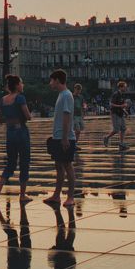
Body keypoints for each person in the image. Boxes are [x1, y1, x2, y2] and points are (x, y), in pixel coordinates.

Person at [0, 74, 33, 202]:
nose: (23, 85)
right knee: (24, 162)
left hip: (10, 133)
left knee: (10, 163)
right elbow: (28, 116)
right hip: (21, 131)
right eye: (21, 83)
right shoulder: (20, 98)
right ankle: (22, 195)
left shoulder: (3, 100)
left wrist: (9, 118)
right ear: (16, 85)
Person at [44, 69, 76, 207]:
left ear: (57, 80)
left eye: (51, 80)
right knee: (58, 166)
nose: (50, 83)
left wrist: (64, 138)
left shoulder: (66, 95)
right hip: (58, 136)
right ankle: (56, 195)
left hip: (65, 137)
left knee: (67, 166)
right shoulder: (61, 95)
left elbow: (67, 117)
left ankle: (70, 197)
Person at [103, 80, 129, 150]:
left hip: (121, 113)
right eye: (124, 87)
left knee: (123, 128)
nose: (125, 88)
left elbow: (122, 105)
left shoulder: (122, 95)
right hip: (115, 113)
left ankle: (121, 143)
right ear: (120, 87)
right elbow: (111, 104)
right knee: (116, 130)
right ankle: (106, 138)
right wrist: (121, 106)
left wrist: (125, 111)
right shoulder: (116, 94)